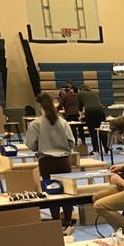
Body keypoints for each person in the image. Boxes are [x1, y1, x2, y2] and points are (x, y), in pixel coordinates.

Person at [25, 93, 76, 232]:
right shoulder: (62, 122)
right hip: (63, 160)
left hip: (46, 161)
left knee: (51, 192)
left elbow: (30, 144)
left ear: (39, 106)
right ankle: (68, 220)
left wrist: (40, 147)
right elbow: (72, 141)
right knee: (67, 192)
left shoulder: (36, 124)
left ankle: (55, 221)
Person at [78, 84, 106, 155]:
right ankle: (107, 148)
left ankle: (95, 150)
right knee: (102, 130)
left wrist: (81, 116)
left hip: (90, 112)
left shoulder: (80, 94)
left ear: (81, 90)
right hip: (101, 111)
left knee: (93, 131)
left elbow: (80, 107)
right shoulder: (95, 92)